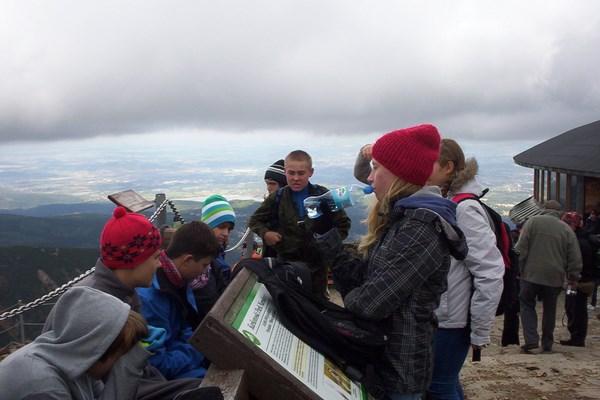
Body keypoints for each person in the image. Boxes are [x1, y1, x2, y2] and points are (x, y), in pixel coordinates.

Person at [313, 124, 467, 400]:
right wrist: (326, 233)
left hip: (400, 373)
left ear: (399, 174)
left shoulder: (421, 228)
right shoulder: (402, 219)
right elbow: (363, 279)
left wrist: (350, 299)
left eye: (376, 168)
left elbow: (370, 304)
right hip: (382, 363)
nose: (369, 178)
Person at [426, 139, 505, 400]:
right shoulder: (451, 201)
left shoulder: (464, 209)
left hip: (452, 318)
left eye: (429, 163)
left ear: (448, 167)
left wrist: (479, 330)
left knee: (439, 386)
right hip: (448, 314)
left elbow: (489, 271)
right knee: (444, 382)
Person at [0, 286, 149, 400]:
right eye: (120, 355)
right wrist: (128, 369)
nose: (120, 362)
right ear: (99, 349)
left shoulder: (77, 361)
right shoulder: (43, 386)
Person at [249, 150, 351, 299]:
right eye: (291, 173)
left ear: (311, 172)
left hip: (317, 267)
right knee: (292, 303)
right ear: (285, 172)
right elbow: (254, 220)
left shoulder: (324, 195)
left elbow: (343, 223)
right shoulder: (277, 197)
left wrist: (328, 244)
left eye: (301, 173)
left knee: (317, 303)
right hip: (287, 265)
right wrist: (266, 233)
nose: (296, 178)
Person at [137, 221, 220, 379]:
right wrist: (198, 350)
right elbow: (158, 364)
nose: (206, 272)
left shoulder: (179, 280)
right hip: (171, 376)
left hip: (183, 361)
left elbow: (186, 328)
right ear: (187, 260)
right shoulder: (151, 299)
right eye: (204, 265)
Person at [516, 200, 582, 353]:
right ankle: (547, 343)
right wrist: (573, 276)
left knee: (526, 304)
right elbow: (574, 257)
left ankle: (531, 340)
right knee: (550, 309)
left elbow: (520, 248)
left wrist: (519, 269)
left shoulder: (532, 222)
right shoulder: (566, 229)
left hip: (531, 274)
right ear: (559, 213)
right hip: (554, 276)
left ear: (544, 209)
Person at [191, 194, 235, 321]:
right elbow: (207, 300)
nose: (226, 233)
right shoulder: (201, 259)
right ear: (208, 225)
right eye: (221, 227)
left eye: (229, 229)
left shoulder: (216, 252)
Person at [560, 212, 595, 347]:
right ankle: (577, 336)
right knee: (573, 307)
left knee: (575, 308)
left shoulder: (578, 241)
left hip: (578, 281)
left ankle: (577, 337)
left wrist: (572, 277)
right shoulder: (582, 238)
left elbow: (577, 262)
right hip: (582, 280)